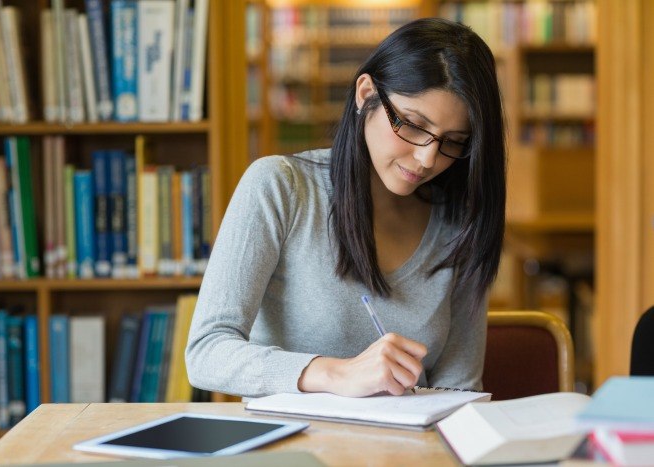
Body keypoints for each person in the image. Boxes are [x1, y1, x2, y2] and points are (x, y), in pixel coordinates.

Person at [187, 17, 506, 398]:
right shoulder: (280, 188)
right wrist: (336, 374)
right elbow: (206, 352)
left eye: (453, 141)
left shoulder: (460, 224)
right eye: (413, 125)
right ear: (365, 92)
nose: (426, 158)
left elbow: (458, 389)